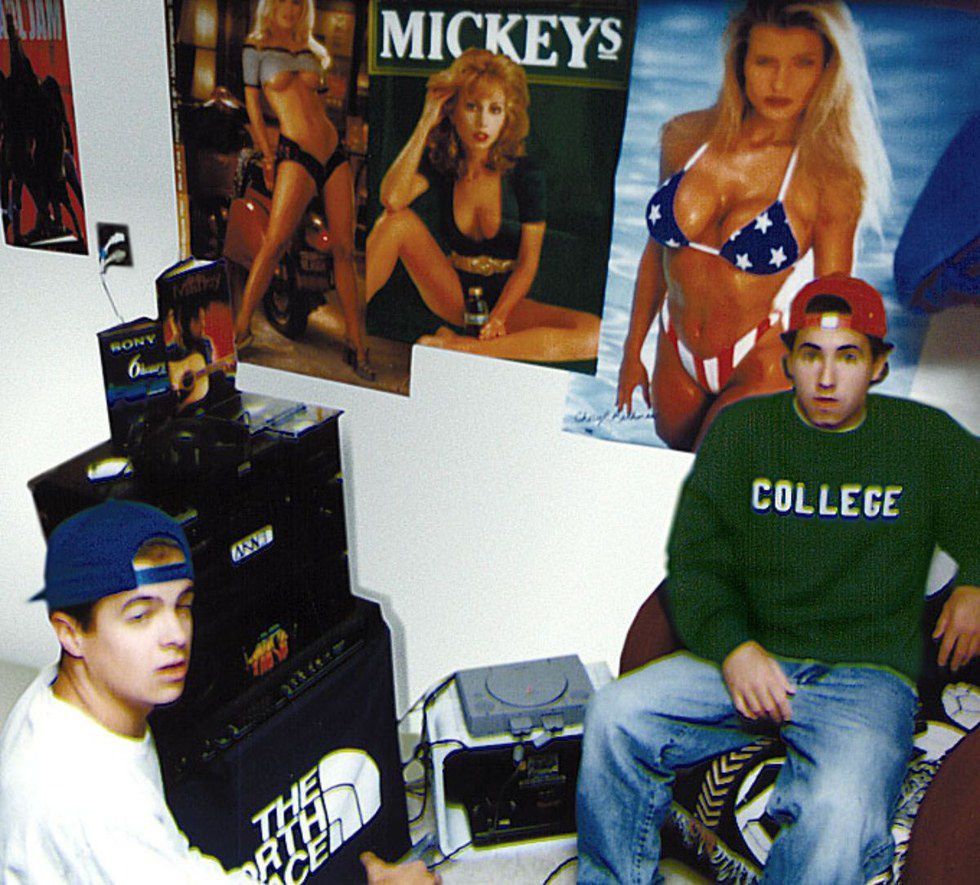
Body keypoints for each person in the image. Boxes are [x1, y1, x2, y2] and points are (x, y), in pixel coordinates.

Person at [577, 275, 979, 884]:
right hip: (753, 659)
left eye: (848, 357)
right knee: (613, 714)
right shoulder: (743, 432)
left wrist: (975, 582)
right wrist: (735, 648)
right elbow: (695, 562)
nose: (826, 377)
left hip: (866, 679)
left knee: (839, 814)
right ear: (787, 359)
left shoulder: (922, 438)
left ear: (878, 365)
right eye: (811, 355)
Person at [0, 500, 439, 884]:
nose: (176, 635)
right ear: (70, 633)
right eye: (140, 616)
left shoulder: (64, 699)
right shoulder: (91, 798)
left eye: (182, 606)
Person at [616, 0, 890, 451]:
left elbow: (834, 303)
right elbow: (655, 254)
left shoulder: (830, 177)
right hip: (674, 350)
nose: (780, 83)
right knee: (673, 456)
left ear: (827, 70)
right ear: (740, 63)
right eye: (765, 62)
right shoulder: (684, 138)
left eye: (802, 64)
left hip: (760, 360)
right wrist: (631, 353)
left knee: (713, 468)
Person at [366, 47, 599, 362]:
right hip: (453, 294)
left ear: (507, 116)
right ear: (452, 110)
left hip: (507, 300)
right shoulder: (444, 163)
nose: (482, 121)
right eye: (472, 106)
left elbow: (528, 264)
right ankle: (355, 327)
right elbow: (391, 199)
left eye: (495, 109)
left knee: (593, 333)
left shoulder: (526, 173)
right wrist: (426, 121)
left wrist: (498, 318)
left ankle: (464, 347)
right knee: (394, 222)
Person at [233, 0, 373, 380]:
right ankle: (241, 329)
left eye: (298, 1)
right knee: (275, 241)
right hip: (295, 153)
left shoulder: (313, 51)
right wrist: (267, 155)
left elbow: (320, 104)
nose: (290, 7)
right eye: (283, 0)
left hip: (333, 153)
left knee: (344, 249)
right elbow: (253, 107)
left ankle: (355, 342)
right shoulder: (255, 49)